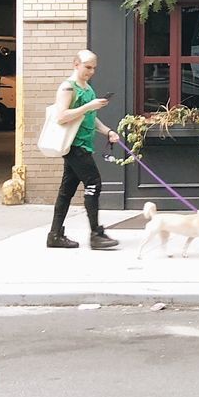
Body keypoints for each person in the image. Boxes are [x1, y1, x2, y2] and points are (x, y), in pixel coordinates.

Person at [46, 50, 121, 249]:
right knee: (93, 182)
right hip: (74, 145)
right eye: (88, 67)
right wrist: (89, 106)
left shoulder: (87, 88)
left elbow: (90, 118)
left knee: (67, 190)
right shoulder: (67, 88)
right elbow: (61, 116)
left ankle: (54, 235)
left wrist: (108, 132)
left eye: (94, 68)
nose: (91, 71)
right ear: (76, 64)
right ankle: (96, 234)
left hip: (84, 144)